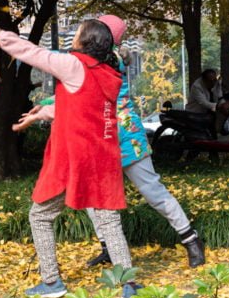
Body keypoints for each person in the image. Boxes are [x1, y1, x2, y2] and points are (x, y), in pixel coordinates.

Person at [0, 15, 142, 298]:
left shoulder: (75, 65)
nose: (74, 36)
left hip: (75, 159)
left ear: (86, 41)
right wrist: (42, 113)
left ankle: (52, 282)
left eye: (79, 32)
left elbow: (34, 54)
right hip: (102, 159)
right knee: (109, 222)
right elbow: (83, 109)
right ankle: (129, 286)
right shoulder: (108, 73)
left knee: (40, 215)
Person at [14, 15, 205, 268]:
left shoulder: (108, 62)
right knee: (94, 197)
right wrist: (48, 103)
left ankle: (190, 238)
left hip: (127, 138)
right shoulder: (97, 60)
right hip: (99, 142)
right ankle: (108, 248)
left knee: (152, 190)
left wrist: (47, 105)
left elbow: (83, 91)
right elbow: (78, 95)